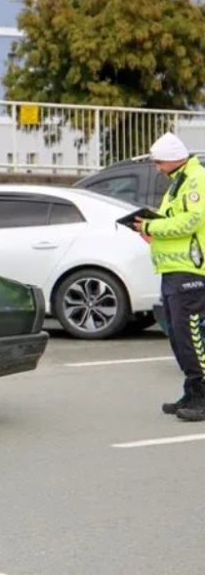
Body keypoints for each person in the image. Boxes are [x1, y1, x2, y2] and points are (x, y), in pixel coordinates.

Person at [135, 132, 205, 422]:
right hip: (173, 271)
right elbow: (171, 221)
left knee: (191, 335)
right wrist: (148, 230)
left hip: (192, 270)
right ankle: (192, 390)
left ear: (173, 158)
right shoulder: (178, 181)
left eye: (159, 162)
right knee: (178, 335)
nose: (157, 168)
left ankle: (202, 395)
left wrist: (153, 227)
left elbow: (193, 219)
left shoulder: (196, 179)